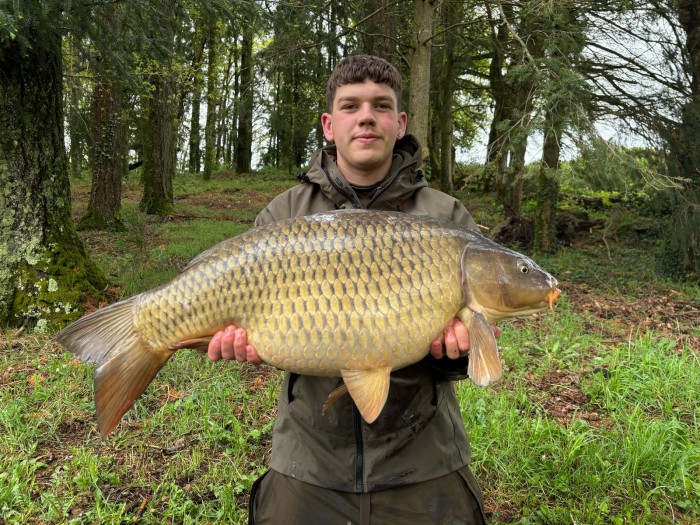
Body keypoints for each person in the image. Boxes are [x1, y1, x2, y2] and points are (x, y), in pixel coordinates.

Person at [208, 55, 492, 524]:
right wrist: (235, 341)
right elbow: (253, 333)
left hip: (424, 454)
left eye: (381, 106)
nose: (366, 117)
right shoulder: (284, 215)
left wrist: (454, 355)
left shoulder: (446, 218)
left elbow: (469, 356)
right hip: (310, 455)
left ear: (400, 123)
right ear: (328, 124)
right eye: (350, 106)